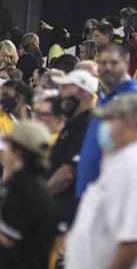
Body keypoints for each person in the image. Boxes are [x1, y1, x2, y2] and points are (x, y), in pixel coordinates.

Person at [67, 95, 137, 269]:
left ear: (128, 122)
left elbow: (134, 241)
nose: (103, 128)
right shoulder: (122, 161)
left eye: (109, 120)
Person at [0, 121, 61, 269]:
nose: (4, 151)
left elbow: (7, 238)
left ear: (18, 151)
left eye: (8, 146)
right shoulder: (31, 181)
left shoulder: (25, 188)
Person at [75, 44, 137, 198]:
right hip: (90, 195)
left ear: (126, 62)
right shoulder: (105, 99)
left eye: (113, 63)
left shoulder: (133, 99)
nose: (108, 68)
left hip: (111, 196)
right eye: (103, 63)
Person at [47, 70, 97, 230]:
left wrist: (40, 198)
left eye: (64, 88)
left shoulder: (90, 124)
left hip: (74, 217)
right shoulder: (73, 123)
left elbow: (68, 174)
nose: (60, 95)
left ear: (82, 92)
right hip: (61, 211)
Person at [0, 80, 33, 162]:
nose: (1, 100)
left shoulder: (39, 117)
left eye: (5, 95)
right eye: (0, 96)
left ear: (20, 98)